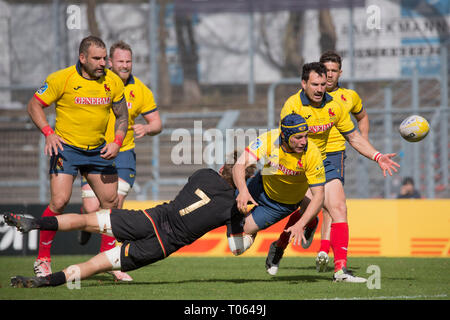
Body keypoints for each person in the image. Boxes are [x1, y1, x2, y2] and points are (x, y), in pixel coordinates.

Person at [5, 153, 257, 288]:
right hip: (161, 244)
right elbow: (236, 248)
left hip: (150, 218)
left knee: (86, 220)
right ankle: (46, 282)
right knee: (95, 266)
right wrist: (252, 227)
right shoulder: (234, 208)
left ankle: (35, 223)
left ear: (225, 167)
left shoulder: (203, 174)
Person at [265, 62, 399, 282]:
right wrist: (272, 175)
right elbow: (280, 142)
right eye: (315, 84)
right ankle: (279, 246)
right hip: (297, 166)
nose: (320, 89)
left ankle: (340, 271)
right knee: (308, 210)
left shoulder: (334, 106)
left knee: (338, 208)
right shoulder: (292, 105)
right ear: (304, 84)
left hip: (323, 162)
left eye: (323, 84)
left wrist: (377, 156)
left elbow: (354, 137)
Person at [27, 35, 129, 277]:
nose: (103, 62)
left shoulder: (113, 82)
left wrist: (117, 142)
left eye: (105, 58)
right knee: (59, 202)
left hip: (98, 151)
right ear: (82, 58)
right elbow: (34, 105)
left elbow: (122, 116)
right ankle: (43, 260)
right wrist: (48, 133)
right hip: (67, 149)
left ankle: (109, 263)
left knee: (110, 204)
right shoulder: (61, 79)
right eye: (96, 58)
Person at [79, 40, 162, 282]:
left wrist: (148, 129)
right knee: (92, 209)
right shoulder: (97, 83)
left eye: (128, 61)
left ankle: (111, 263)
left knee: (114, 206)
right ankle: (86, 225)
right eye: (120, 61)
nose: (125, 65)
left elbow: (157, 123)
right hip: (96, 152)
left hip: (124, 154)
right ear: (110, 62)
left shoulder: (141, 90)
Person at [232, 113, 326, 249]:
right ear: (284, 136)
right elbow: (239, 165)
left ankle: (311, 222)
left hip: (280, 205)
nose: (304, 141)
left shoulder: (312, 153)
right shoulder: (270, 138)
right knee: (225, 199)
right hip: (260, 185)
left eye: (306, 136)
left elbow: (319, 196)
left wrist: (301, 224)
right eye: (298, 137)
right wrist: (242, 191)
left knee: (237, 246)